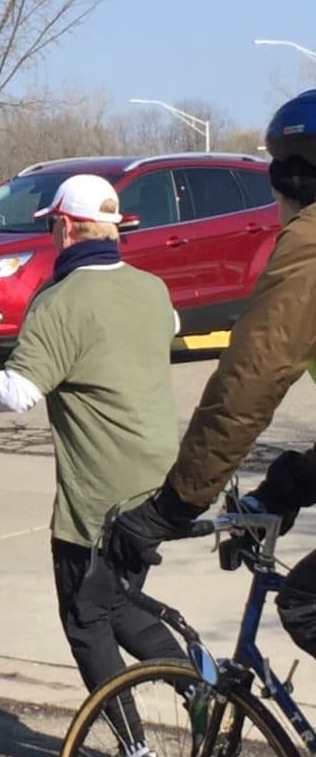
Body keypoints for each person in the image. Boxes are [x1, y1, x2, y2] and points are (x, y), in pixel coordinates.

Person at [0, 174, 185, 757]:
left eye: (53, 225)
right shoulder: (153, 291)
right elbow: (171, 329)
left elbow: (17, 393)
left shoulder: (60, 301)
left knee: (83, 618)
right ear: (115, 228)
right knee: (118, 603)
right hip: (158, 485)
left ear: (66, 227)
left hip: (96, 497)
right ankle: (202, 695)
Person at [106, 89, 316, 661]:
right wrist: (292, 481)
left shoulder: (311, 241)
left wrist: (172, 507)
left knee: (307, 603)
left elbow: (252, 377)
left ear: (292, 185)